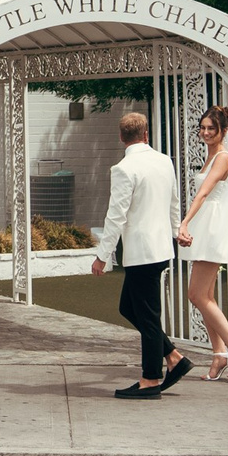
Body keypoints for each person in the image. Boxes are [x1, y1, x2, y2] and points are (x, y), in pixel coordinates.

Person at [89, 110, 192, 398]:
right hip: (159, 248)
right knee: (129, 308)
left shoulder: (123, 168)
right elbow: (174, 202)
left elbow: (116, 215)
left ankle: (150, 379)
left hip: (142, 252)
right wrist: (177, 232)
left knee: (146, 316)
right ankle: (173, 357)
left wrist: (102, 254)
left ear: (122, 137)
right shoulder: (164, 161)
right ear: (146, 134)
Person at [177, 104, 228, 380]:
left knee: (196, 295)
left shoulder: (222, 157)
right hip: (207, 224)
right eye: (203, 127)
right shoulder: (211, 156)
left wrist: (184, 223)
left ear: (223, 131)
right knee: (205, 296)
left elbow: (204, 194)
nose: (206, 132)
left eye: (212, 128)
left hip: (214, 227)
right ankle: (218, 354)